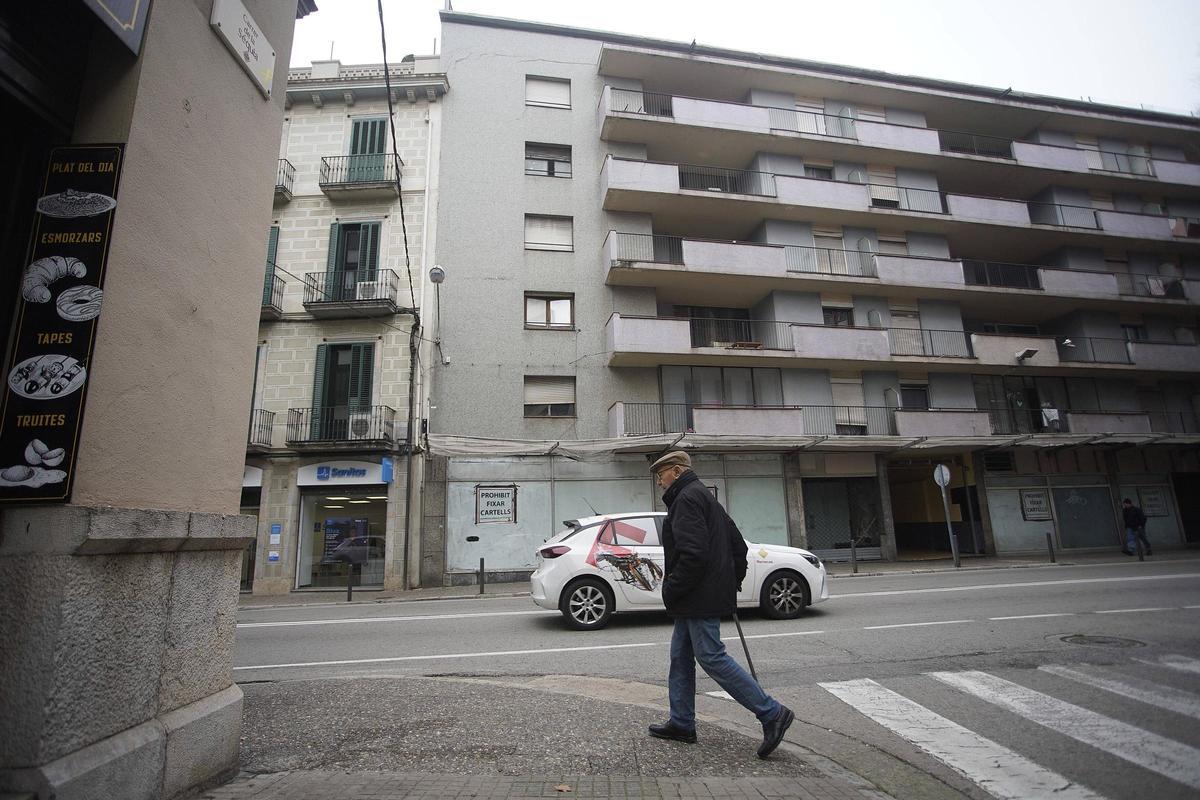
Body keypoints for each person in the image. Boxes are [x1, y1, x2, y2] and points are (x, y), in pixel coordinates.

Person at [646, 450, 795, 759]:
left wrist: (671, 590)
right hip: (702, 595)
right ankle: (682, 723)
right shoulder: (705, 496)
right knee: (681, 657)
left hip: (696, 596)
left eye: (661, 474)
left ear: (675, 471)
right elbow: (737, 545)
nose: (659, 481)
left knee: (712, 658)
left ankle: (772, 713)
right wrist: (730, 582)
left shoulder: (686, 499)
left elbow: (693, 554)